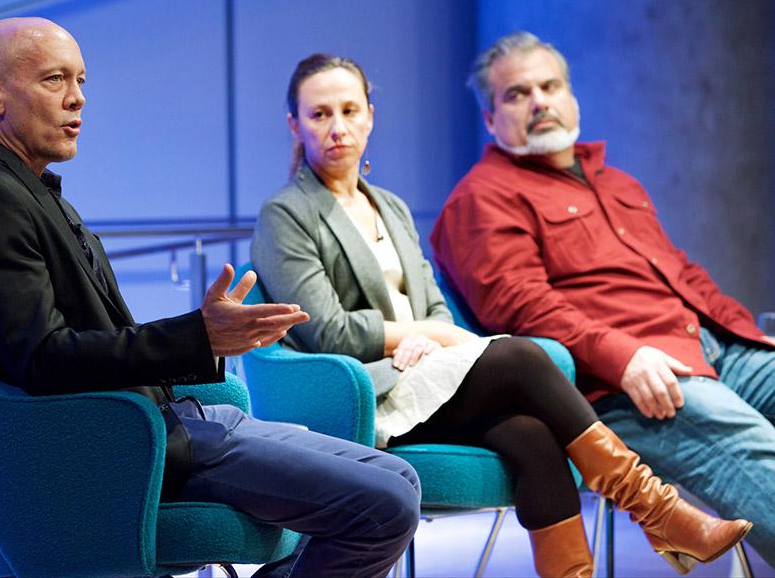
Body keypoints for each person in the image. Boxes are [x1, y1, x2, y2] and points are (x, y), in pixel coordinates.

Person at [0, 17, 423, 578]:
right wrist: (198, 336)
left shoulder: (24, 188)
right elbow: (44, 359)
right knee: (385, 506)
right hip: (127, 447)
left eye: (81, 80)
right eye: (54, 80)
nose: (77, 99)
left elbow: (86, 340)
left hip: (168, 422)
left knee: (401, 478)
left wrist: (206, 338)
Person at [250, 52, 751, 578]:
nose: (338, 128)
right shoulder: (286, 213)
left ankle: (627, 538)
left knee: (533, 438)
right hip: (364, 392)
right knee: (522, 356)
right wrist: (418, 336)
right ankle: (658, 510)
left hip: (424, 372)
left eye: (350, 110)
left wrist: (429, 337)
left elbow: (434, 304)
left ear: (370, 116)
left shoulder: (390, 207)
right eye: (320, 114)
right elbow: (327, 329)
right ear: (295, 125)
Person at [432, 30, 775, 566]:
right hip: (629, 384)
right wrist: (624, 355)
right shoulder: (481, 199)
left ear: (572, 97)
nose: (539, 101)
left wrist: (752, 337)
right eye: (517, 94)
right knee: (760, 451)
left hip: (711, 348)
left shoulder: (618, 183)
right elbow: (523, 308)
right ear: (489, 118)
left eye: (550, 86)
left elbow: (683, 275)